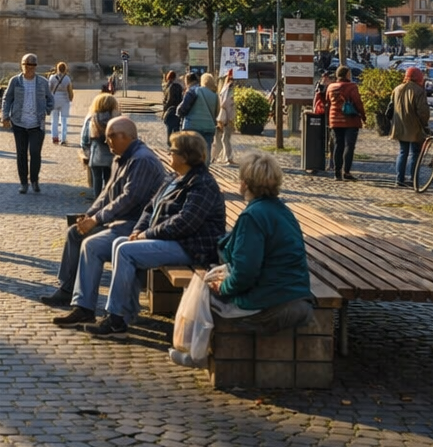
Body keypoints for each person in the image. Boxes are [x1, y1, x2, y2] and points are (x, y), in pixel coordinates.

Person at [79, 130, 226, 338]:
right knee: (119, 243)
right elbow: (150, 207)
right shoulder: (175, 178)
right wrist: (139, 229)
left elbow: (185, 223)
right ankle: (123, 313)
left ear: (185, 156)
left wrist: (147, 234)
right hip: (173, 240)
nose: (169, 154)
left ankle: (116, 320)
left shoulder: (202, 184)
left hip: (192, 247)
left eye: (172, 151)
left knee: (125, 251)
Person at [45, 117, 167, 324]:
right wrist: (89, 215)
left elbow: (129, 199)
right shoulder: (122, 157)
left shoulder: (141, 160)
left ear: (126, 137)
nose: (107, 141)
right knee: (75, 232)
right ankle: (68, 289)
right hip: (121, 220)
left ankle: (85, 307)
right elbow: (107, 193)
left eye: (111, 137)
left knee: (91, 246)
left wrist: (97, 220)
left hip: (135, 224)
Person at [201, 152, 315, 337]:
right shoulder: (283, 210)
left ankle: (193, 350)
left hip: (271, 301)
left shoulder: (252, 217)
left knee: (199, 292)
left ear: (245, 183)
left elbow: (245, 272)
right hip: (296, 294)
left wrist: (223, 287)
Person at [2, 54, 53, 193]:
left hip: (37, 124)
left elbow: (51, 99)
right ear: (21, 65)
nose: (29, 68)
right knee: (21, 154)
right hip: (19, 123)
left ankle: (35, 180)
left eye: (32, 65)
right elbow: (7, 99)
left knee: (35, 153)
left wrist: (46, 110)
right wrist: (5, 116)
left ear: (36, 67)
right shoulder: (15, 81)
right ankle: (23, 182)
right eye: (26, 65)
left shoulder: (42, 82)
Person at [390, 67, 432, 187]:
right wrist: (425, 124)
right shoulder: (419, 91)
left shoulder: (397, 89)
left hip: (399, 124)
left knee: (403, 151)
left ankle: (399, 179)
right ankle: (414, 179)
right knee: (415, 153)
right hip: (415, 126)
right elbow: (423, 112)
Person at [326, 66, 366, 181]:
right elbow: (358, 102)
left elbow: (328, 102)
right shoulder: (352, 87)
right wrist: (363, 116)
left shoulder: (331, 87)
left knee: (338, 145)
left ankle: (337, 172)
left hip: (334, 120)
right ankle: (346, 172)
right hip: (350, 120)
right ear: (347, 75)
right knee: (349, 145)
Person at [80, 93, 119, 200]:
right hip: (112, 155)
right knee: (108, 178)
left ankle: (97, 199)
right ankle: (107, 199)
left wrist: (87, 152)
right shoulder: (116, 119)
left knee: (96, 178)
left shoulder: (92, 119)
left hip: (96, 154)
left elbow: (84, 139)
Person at [177, 72, 218, 152]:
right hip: (209, 127)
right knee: (206, 151)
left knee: (191, 151)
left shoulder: (194, 90)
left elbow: (182, 109)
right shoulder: (215, 95)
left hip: (193, 126)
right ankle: (205, 164)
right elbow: (216, 113)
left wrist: (180, 114)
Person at [211, 68, 238, 166]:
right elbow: (225, 103)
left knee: (222, 138)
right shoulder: (228, 89)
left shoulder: (224, 89)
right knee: (224, 138)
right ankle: (226, 157)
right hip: (226, 116)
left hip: (224, 116)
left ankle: (219, 156)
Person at [49, 62, 74, 145]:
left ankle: (55, 138)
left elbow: (49, 89)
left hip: (54, 99)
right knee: (64, 120)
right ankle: (63, 139)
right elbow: (70, 91)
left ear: (57, 68)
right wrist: (71, 98)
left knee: (54, 120)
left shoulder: (52, 77)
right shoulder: (67, 79)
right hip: (64, 100)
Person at [161, 70, 183, 143]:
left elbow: (169, 100)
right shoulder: (179, 86)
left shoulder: (169, 86)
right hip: (178, 110)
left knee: (169, 129)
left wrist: (164, 110)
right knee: (176, 130)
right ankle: (176, 146)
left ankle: (170, 146)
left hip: (170, 110)